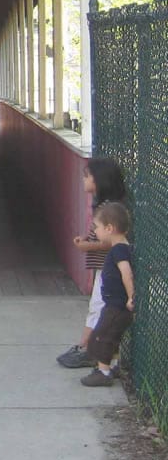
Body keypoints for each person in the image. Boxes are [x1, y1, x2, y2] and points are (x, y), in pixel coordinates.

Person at [57, 157, 127, 369]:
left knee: (98, 306)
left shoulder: (109, 209)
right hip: (103, 266)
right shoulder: (105, 206)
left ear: (100, 181)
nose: (83, 179)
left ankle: (88, 348)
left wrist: (87, 246)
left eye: (87, 176)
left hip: (109, 267)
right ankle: (87, 346)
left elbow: (111, 240)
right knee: (96, 305)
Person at [80, 201, 135, 387]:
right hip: (116, 305)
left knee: (102, 336)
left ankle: (103, 372)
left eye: (97, 227)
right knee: (112, 335)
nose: (95, 232)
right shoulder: (121, 248)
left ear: (110, 228)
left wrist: (131, 297)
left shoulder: (119, 250)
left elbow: (126, 272)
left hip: (117, 306)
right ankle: (112, 365)